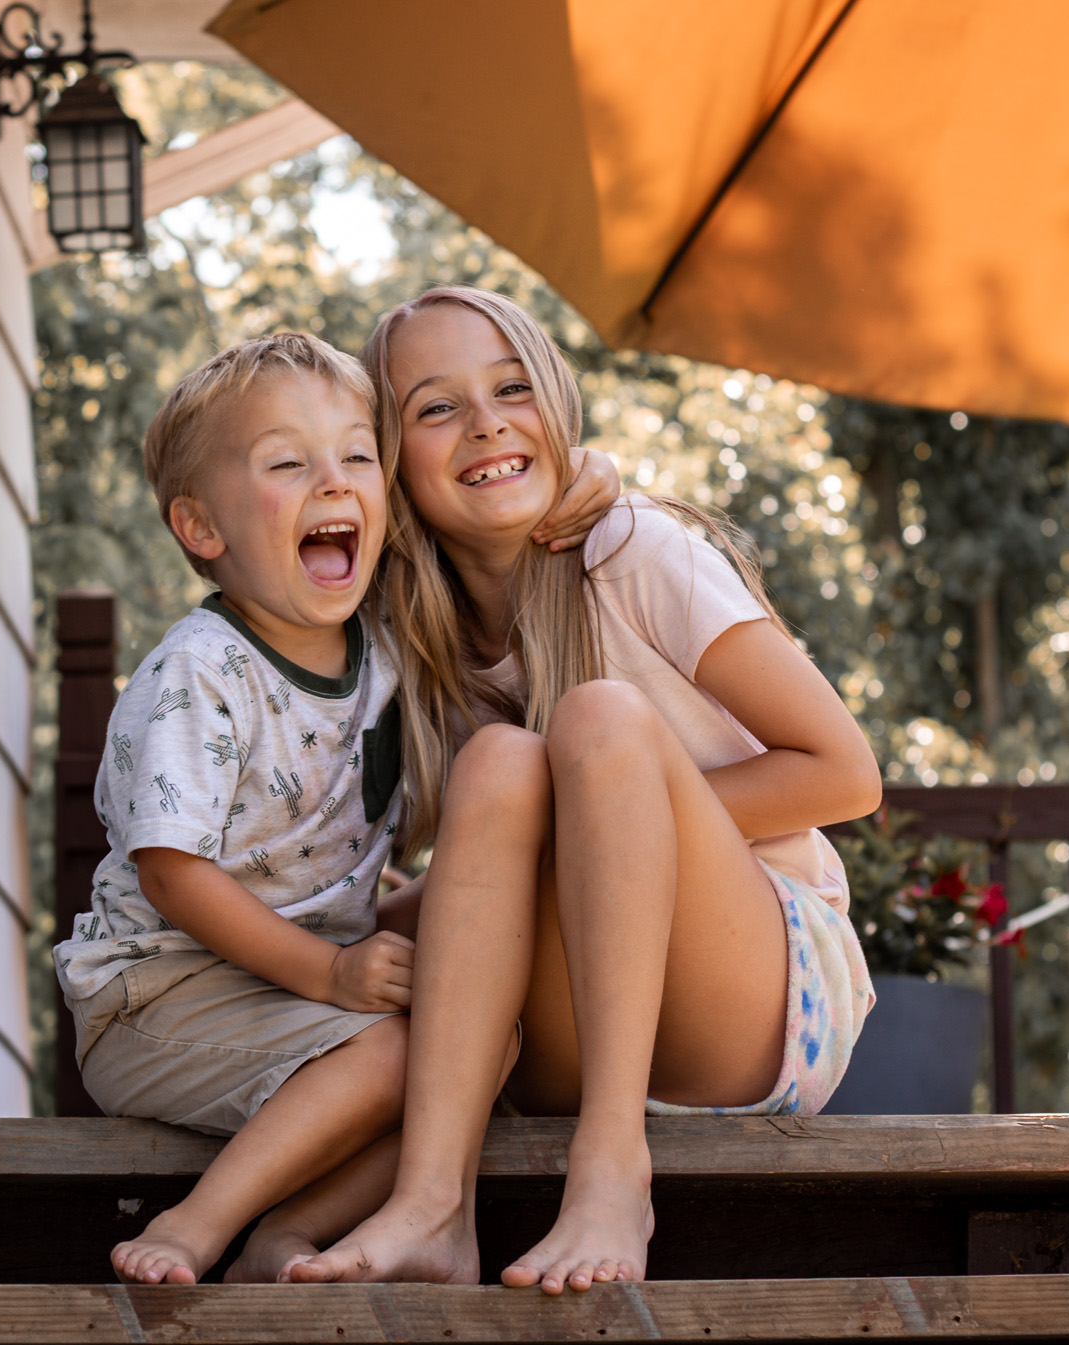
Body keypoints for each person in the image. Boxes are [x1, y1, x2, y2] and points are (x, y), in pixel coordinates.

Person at [289, 288, 882, 1294]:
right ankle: (433, 1207)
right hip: (570, 1012)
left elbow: (845, 774)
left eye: (511, 388)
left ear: (557, 406)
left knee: (596, 725)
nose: (484, 422)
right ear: (389, 460)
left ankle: (612, 1170)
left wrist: (610, 811)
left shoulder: (630, 550)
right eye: (435, 409)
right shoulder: (412, 630)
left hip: (758, 995)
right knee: (504, 763)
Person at [52, 331, 616, 1286]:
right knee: (410, 1051)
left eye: (359, 456)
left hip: (301, 989)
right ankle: (198, 1224)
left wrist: (588, 476)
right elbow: (172, 873)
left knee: (482, 1037)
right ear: (201, 528)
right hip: (160, 996)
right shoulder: (201, 672)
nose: (334, 482)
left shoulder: (384, 647)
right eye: (287, 462)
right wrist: (332, 971)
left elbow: (489, 515)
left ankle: (287, 1234)